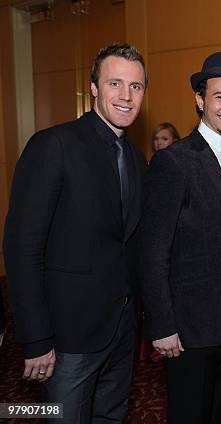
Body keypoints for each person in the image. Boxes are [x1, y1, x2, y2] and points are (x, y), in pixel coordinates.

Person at [3, 43, 147, 422]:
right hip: (67, 339)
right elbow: (22, 248)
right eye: (115, 83)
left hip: (120, 329)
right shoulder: (53, 145)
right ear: (95, 88)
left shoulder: (135, 157)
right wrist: (35, 339)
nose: (126, 96)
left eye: (136, 86)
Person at [137, 51, 221, 424]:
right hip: (189, 328)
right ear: (199, 99)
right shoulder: (174, 161)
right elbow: (153, 250)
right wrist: (162, 326)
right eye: (220, 95)